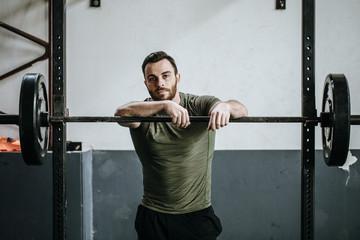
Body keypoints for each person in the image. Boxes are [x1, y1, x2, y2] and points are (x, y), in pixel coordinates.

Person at [114, 51, 247, 240]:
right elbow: (120, 113)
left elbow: (241, 109)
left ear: (177, 78)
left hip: (197, 215)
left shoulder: (197, 105)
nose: (159, 83)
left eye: (165, 76)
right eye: (152, 78)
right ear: (146, 84)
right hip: (154, 217)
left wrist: (224, 107)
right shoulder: (142, 112)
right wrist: (164, 106)